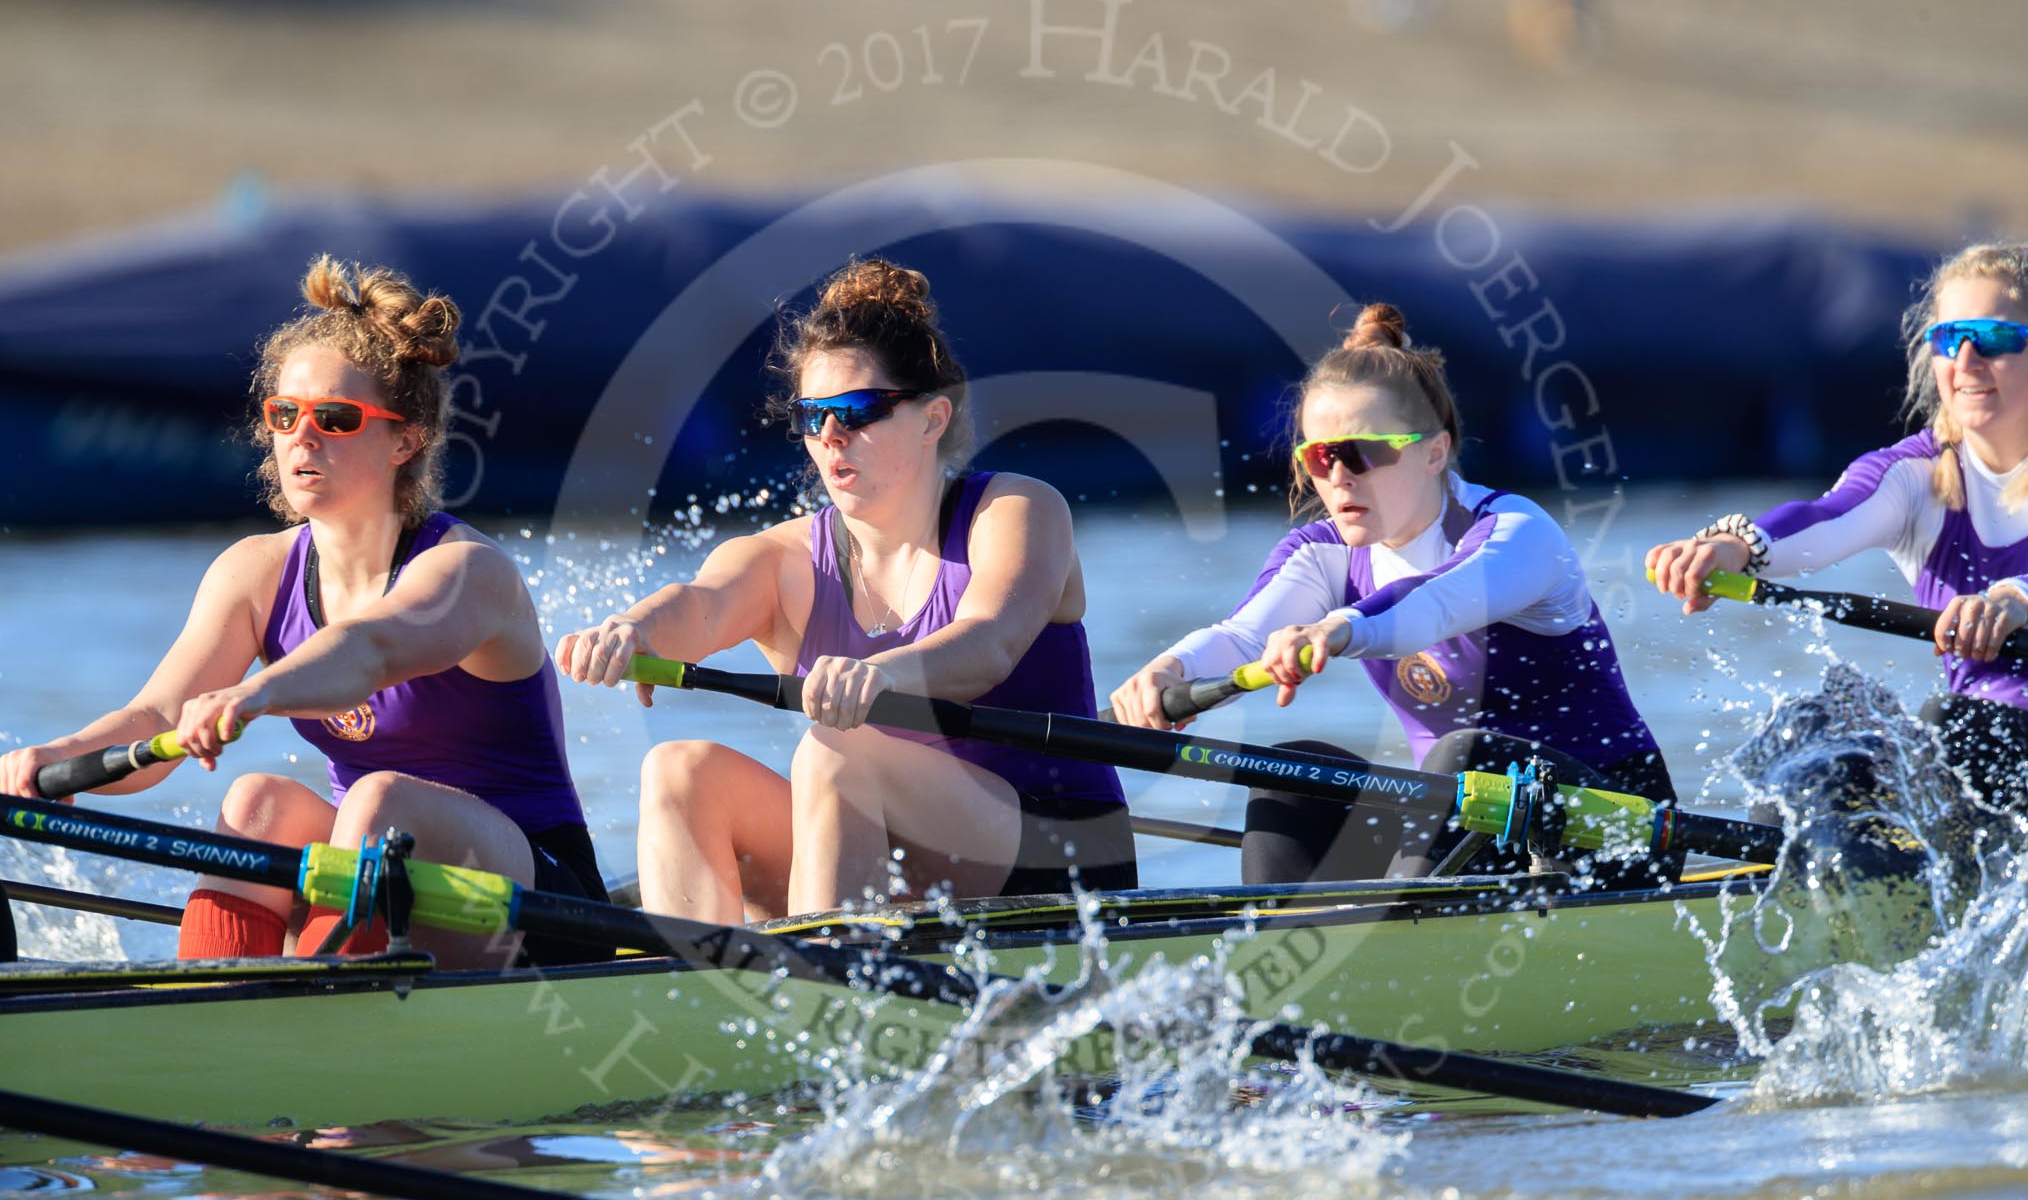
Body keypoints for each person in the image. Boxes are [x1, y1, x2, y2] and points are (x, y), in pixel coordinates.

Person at [0, 257, 606, 969]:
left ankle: (316, 1005)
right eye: (285, 415)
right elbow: (159, 718)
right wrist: (57, 761)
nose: (302, 437)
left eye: (337, 418)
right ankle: (214, 1008)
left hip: (544, 905)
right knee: (258, 799)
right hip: (380, 879)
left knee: (381, 800)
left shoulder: (467, 571)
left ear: (405, 439)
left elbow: (370, 651)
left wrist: (256, 692)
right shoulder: (253, 571)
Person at [557, 257, 1136, 924]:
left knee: (840, 749)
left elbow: (991, 643)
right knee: (678, 769)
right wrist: (636, 630)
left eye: (858, 411)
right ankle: (704, 996)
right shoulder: (784, 559)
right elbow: (702, 602)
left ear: (932, 419)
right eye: (813, 415)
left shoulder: (1016, 511)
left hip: (1059, 856)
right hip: (890, 866)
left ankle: (829, 990)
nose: (832, 435)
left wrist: (878, 674)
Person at [1113, 302, 1675, 886]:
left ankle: (1397, 931)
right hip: (1466, 833)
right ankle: (1281, 945)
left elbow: (1430, 604)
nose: (1338, 477)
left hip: (1616, 828)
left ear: (1434, 451)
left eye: (1363, 452)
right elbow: (1240, 638)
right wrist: (1168, 672)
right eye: (1320, 456)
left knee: (1467, 755)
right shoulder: (1322, 552)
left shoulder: (1517, 532)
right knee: (1294, 770)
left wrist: (1339, 627)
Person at [1649, 241, 2028, 811]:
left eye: (1995, 339)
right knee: (1800, 753)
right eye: (1950, 339)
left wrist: (2014, 599)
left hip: (1979, 740)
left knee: (1949, 724)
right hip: (1986, 762)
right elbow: (1823, 519)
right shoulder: (1913, 476)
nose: (1967, 360)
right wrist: (1730, 547)